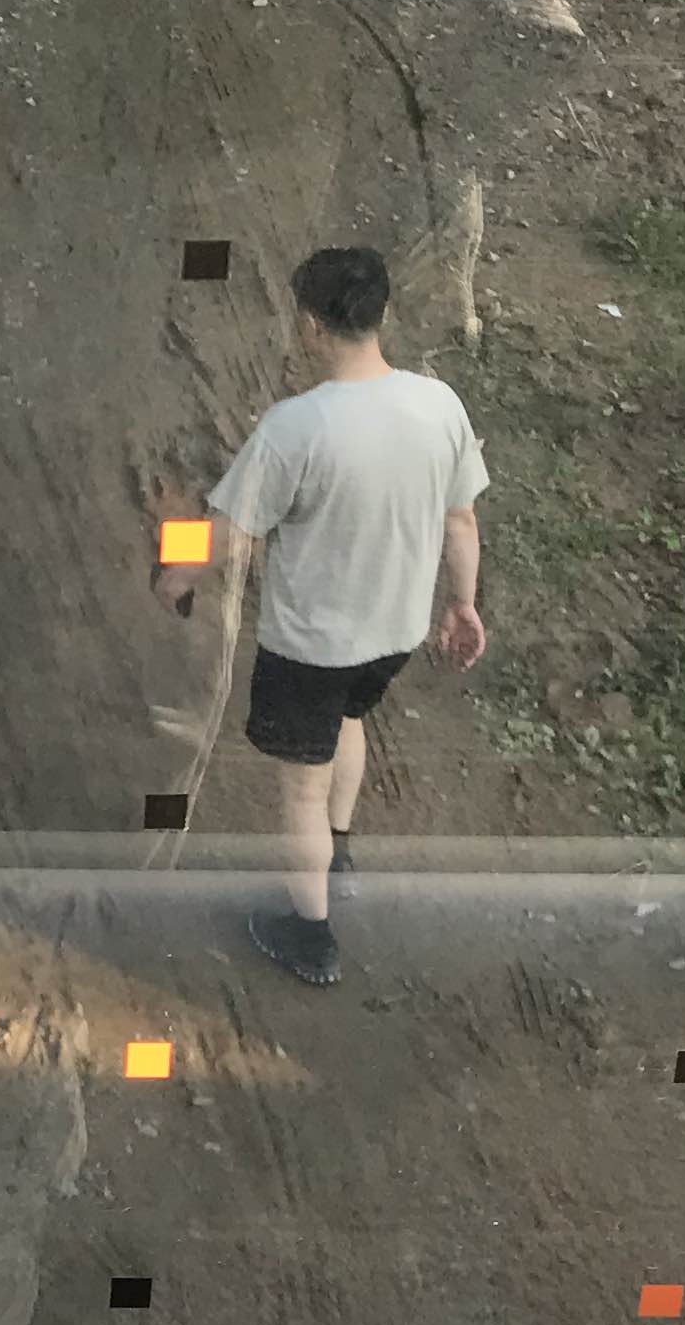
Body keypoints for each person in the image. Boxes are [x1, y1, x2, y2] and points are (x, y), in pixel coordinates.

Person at [157, 244, 488, 988]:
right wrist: (463, 604)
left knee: (301, 787)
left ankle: (309, 934)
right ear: (381, 314)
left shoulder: (296, 427)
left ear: (310, 325)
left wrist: (177, 576)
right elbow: (461, 517)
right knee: (348, 721)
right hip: (394, 632)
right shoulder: (439, 404)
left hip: (312, 647)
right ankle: (338, 853)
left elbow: (232, 531)